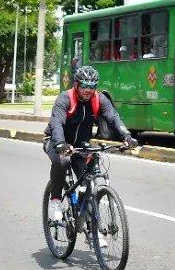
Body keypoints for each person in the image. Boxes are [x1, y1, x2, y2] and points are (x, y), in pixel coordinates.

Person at [43, 65, 138, 223]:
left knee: (89, 178)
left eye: (92, 86)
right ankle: (55, 201)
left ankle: (84, 215)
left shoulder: (99, 99)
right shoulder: (65, 98)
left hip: (81, 146)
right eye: (84, 86)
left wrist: (127, 136)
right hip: (56, 141)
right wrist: (61, 143)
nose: (88, 90)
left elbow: (113, 117)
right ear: (76, 85)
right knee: (63, 161)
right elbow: (57, 122)